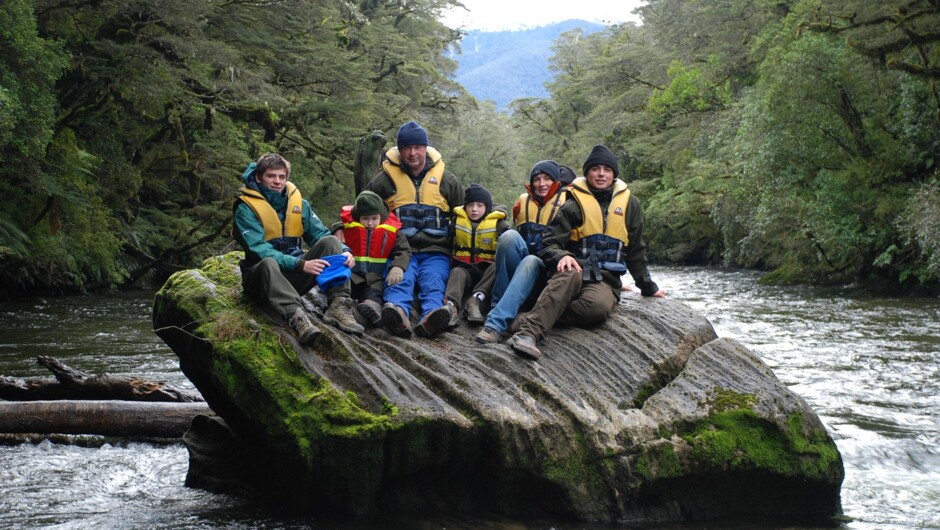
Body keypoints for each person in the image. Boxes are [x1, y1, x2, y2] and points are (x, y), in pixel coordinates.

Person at [507, 145, 667, 360]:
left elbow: (636, 250)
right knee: (569, 274)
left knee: (597, 309)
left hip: (605, 278)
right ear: (588, 172)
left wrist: (648, 287)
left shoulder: (629, 204)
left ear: (613, 174)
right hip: (572, 270)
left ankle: (527, 318)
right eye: (595, 169)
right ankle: (528, 334)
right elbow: (550, 244)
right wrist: (562, 255)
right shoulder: (572, 203)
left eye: (607, 170)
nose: (601, 174)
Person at [233, 153, 364, 344]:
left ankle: (338, 304)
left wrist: (345, 251)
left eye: (282, 177)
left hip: (294, 276)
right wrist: (299, 264)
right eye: (271, 176)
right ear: (259, 177)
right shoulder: (245, 208)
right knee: (268, 262)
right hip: (261, 279)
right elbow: (258, 248)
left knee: (332, 243)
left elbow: (320, 234)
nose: (277, 181)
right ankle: (296, 316)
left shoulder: (298, 204)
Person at [366, 121, 463, 338]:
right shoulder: (383, 180)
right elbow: (363, 208)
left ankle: (432, 316)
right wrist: (339, 229)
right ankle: (397, 311)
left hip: (437, 249)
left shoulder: (446, 179)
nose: (412, 153)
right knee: (399, 279)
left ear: (425, 148)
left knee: (434, 281)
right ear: (399, 150)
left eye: (417, 147)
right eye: (407, 148)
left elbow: (466, 211)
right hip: (400, 250)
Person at [474, 160, 570, 344]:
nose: (541, 184)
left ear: (556, 181)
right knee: (509, 236)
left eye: (547, 179)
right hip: (523, 271)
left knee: (531, 260)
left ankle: (495, 325)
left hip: (548, 273)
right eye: (537, 179)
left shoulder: (569, 204)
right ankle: (498, 305)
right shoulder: (522, 203)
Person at [441, 184, 510, 334]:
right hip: (465, 269)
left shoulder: (500, 225)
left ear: (487, 207)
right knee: (457, 272)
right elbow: (445, 244)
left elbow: (508, 248)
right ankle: (451, 307)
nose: (474, 209)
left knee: (496, 267)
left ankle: (475, 301)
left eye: (480, 205)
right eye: (470, 205)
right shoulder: (456, 222)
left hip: (486, 271)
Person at [338, 190, 411, 328]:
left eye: (374, 218)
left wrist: (398, 266)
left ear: (381, 216)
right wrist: (336, 228)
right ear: (358, 216)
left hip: (374, 278)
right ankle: (340, 304)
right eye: (365, 219)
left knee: (374, 294)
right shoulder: (347, 226)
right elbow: (337, 227)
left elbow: (404, 251)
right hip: (352, 275)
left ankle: (372, 309)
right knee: (341, 286)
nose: (370, 223)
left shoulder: (393, 232)